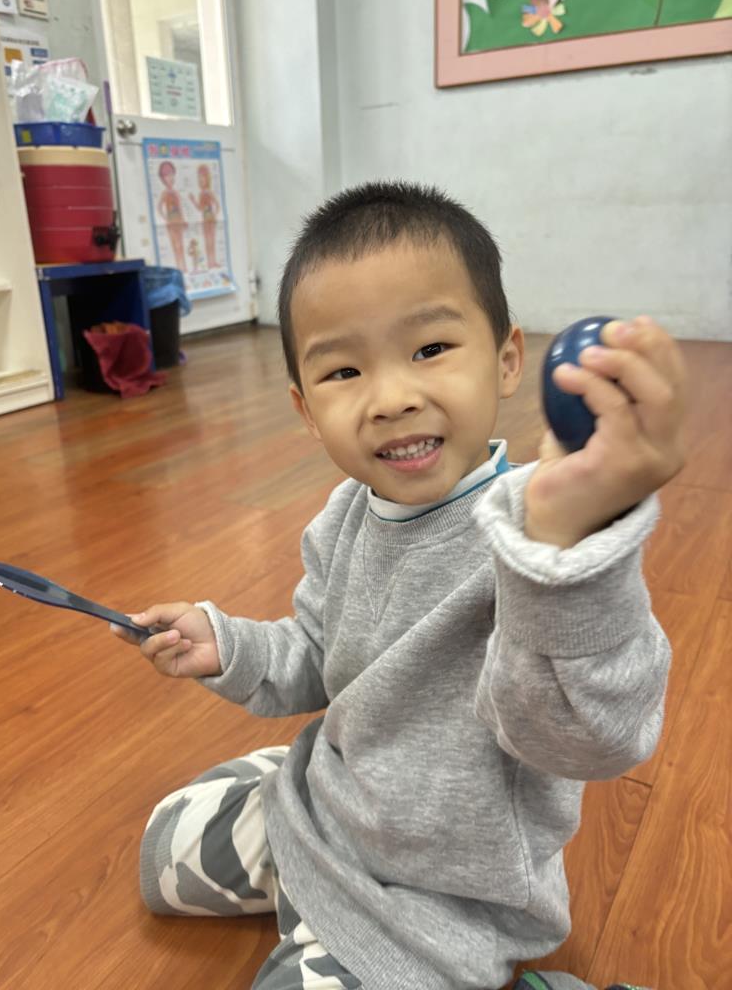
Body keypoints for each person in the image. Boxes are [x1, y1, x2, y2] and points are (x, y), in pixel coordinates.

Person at [112, 181, 686, 990]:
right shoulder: (346, 514)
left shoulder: (548, 538)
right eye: (345, 369)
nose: (391, 399)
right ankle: (306, 836)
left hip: (442, 901)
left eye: (430, 349)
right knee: (159, 855)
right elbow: (319, 652)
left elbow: (591, 740)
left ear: (508, 359)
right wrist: (227, 645)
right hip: (329, 814)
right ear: (306, 409)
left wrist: (561, 554)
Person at [156, 160, 188, 273]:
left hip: (178, 221)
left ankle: (184, 267)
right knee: (176, 246)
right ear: (163, 178)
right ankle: (179, 267)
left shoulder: (176, 192)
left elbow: (180, 207)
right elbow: (159, 207)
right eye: (167, 175)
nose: (170, 178)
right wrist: (166, 218)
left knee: (181, 245)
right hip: (171, 223)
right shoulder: (165, 193)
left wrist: (183, 219)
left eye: (171, 174)